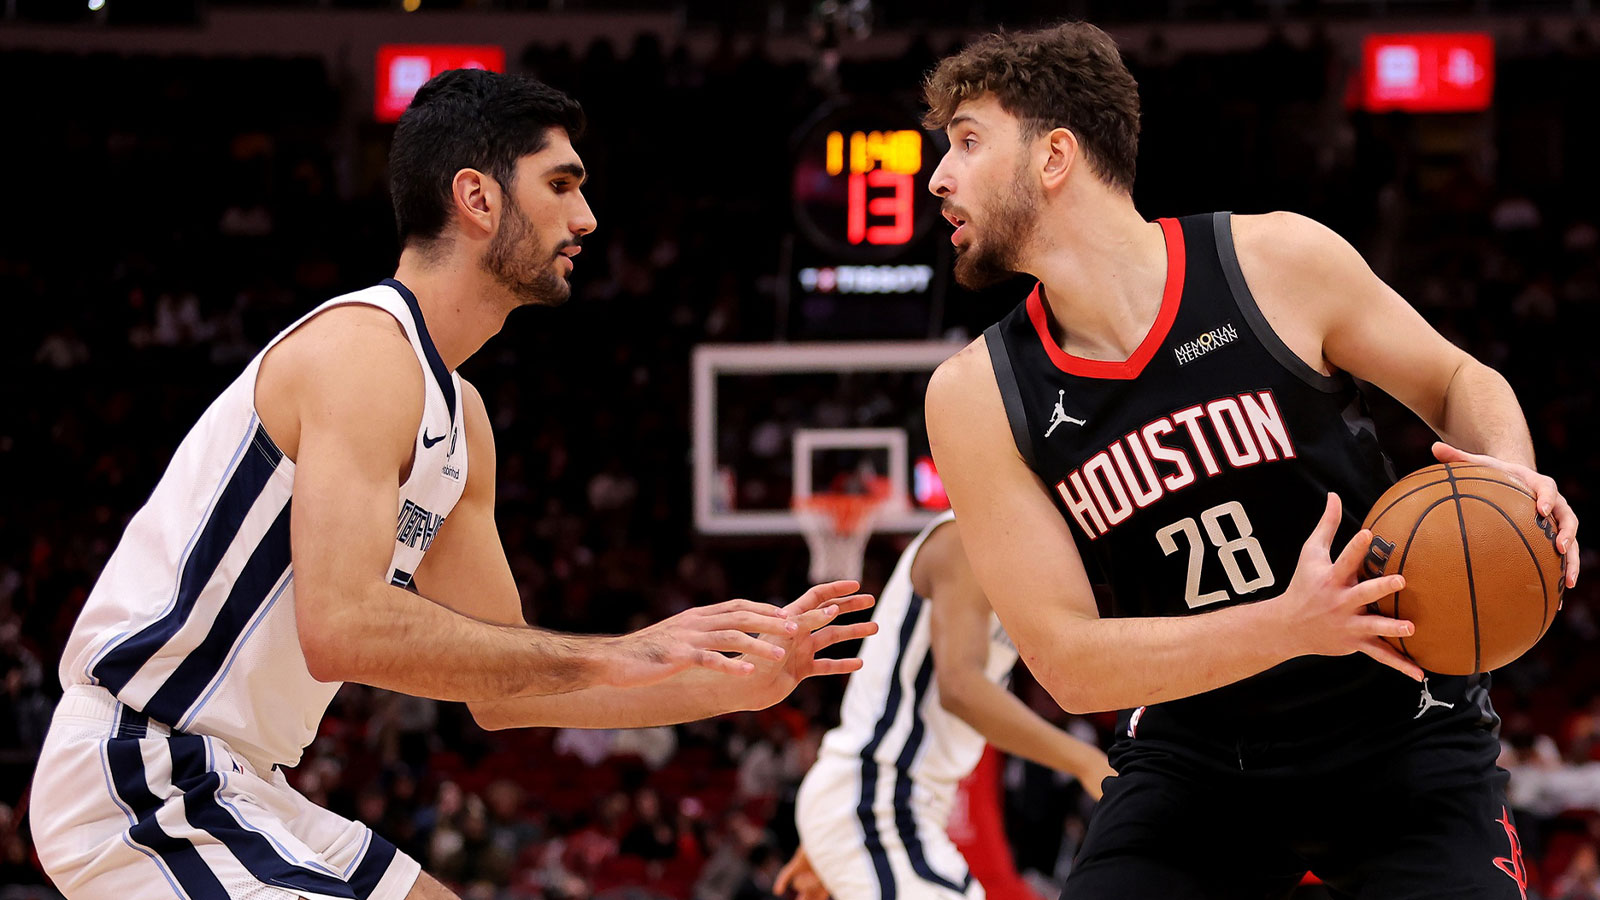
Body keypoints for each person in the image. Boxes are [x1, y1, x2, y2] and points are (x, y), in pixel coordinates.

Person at [29, 69, 876, 900]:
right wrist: (625, 650)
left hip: (240, 779)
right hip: (141, 766)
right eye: (560, 185)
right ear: (477, 198)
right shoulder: (363, 351)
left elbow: (503, 694)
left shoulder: (459, 416)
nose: (586, 217)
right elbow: (342, 627)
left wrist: (733, 686)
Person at [919, 21, 1580, 900]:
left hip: (1403, 728)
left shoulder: (1274, 262)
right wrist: (1288, 625)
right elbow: (1067, 662)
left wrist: (1508, 473)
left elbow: (1460, 380)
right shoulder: (976, 395)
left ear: (1055, 156)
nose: (939, 177)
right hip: (1197, 764)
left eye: (968, 142)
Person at [774, 512, 1113, 900]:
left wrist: (837, 837)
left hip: (890, 806)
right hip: (876, 796)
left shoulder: (1015, 557)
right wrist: (1086, 762)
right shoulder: (963, 540)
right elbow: (960, 689)